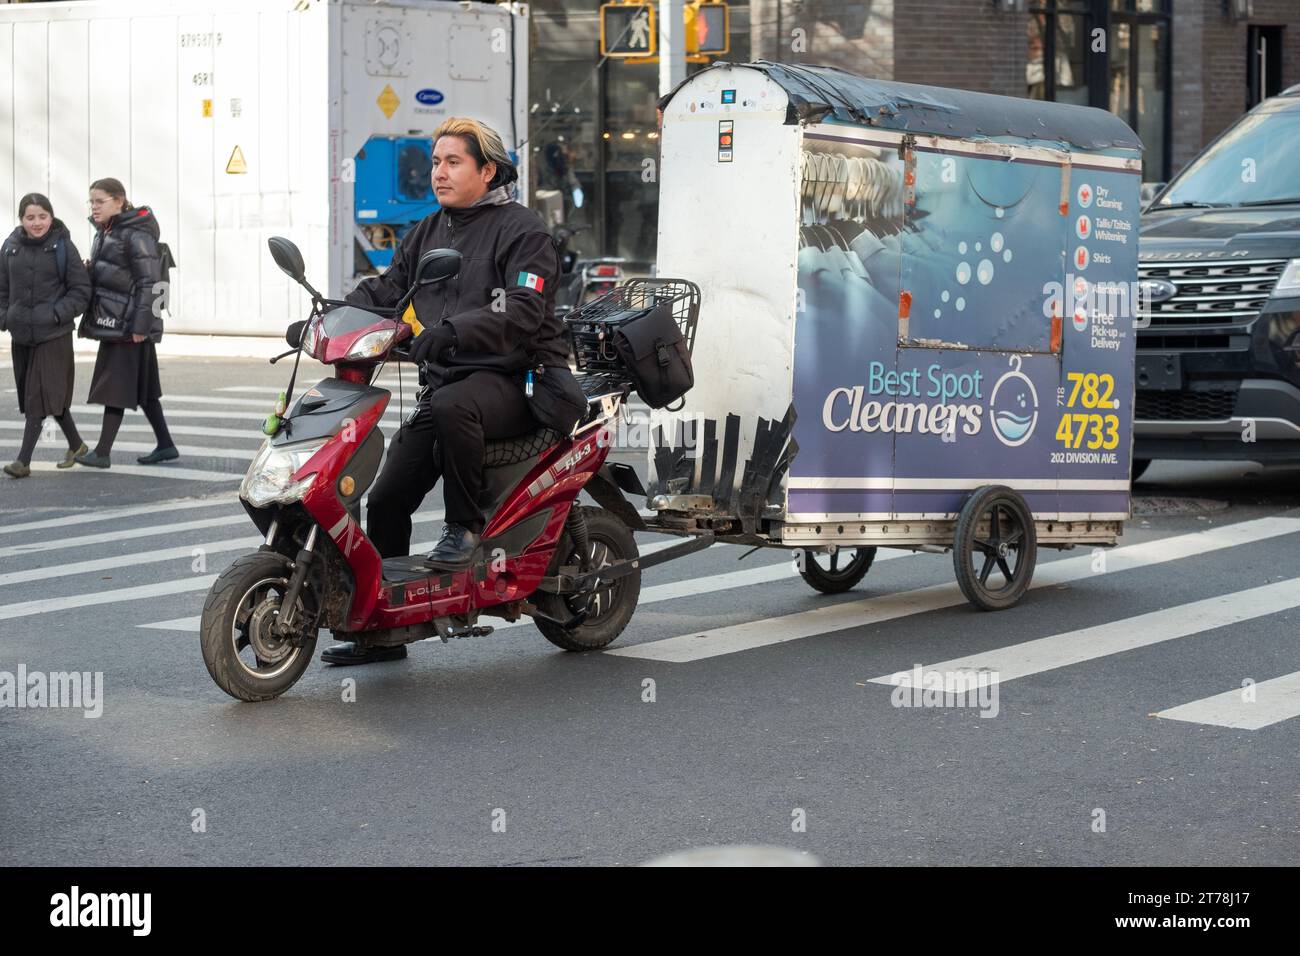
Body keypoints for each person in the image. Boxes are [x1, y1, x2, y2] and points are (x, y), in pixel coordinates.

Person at [321, 116, 586, 666]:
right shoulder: (427, 229)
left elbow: (523, 308)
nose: (438, 172)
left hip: (518, 381)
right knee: (387, 497)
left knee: (451, 403)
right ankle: (382, 629)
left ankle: (464, 529)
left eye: (453, 162)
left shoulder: (523, 230)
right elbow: (391, 287)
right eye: (436, 162)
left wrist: (452, 332)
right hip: (451, 381)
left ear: (487, 170)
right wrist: (332, 315)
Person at [75, 178, 178, 468]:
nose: (94, 207)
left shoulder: (134, 234)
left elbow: (149, 281)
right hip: (120, 321)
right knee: (145, 389)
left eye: (100, 201)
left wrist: (140, 327)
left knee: (115, 387)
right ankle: (166, 444)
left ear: (119, 201)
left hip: (127, 325)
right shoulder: (108, 231)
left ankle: (103, 452)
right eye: (91, 201)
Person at [0, 194, 91, 478]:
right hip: (21, 335)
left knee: (37, 397)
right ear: (21, 220)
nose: (37, 223)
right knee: (51, 396)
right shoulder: (10, 248)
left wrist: (56, 314)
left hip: (54, 334)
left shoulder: (63, 246)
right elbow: (2, 289)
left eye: (42, 216)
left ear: (51, 217)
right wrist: (6, 317)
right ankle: (76, 445)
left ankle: (23, 461)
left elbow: (81, 291)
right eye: (30, 217)